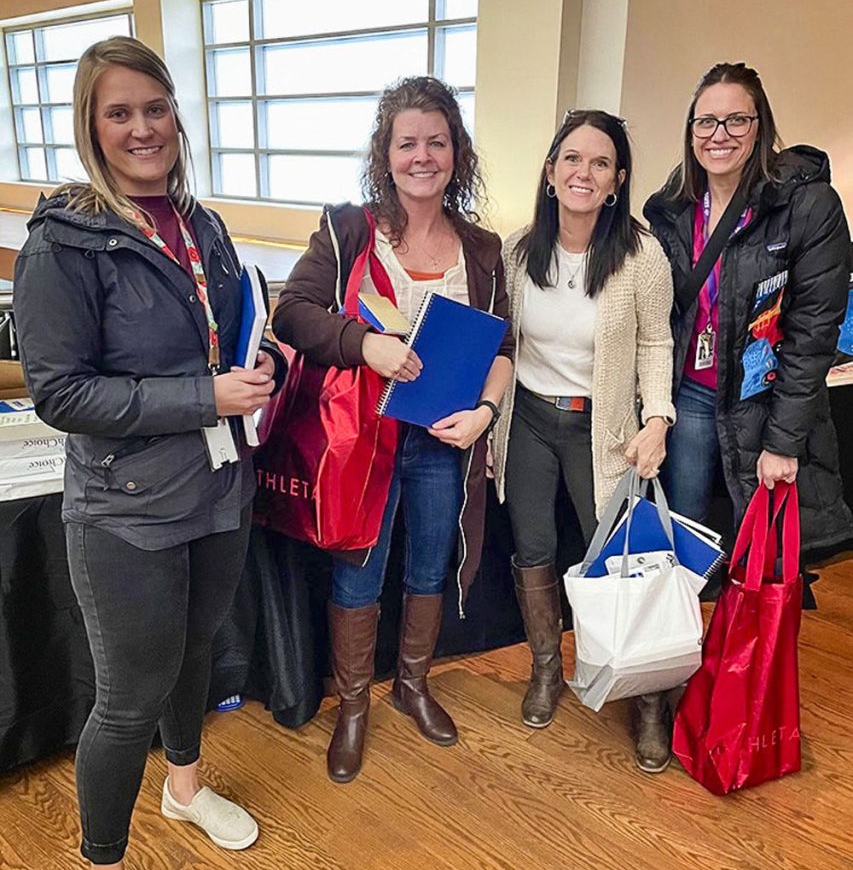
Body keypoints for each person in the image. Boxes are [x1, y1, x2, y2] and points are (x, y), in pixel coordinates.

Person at [13, 36, 286, 870]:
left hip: (216, 489)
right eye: (118, 112)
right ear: (91, 126)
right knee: (125, 700)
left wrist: (259, 365)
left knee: (196, 652)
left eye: (155, 109)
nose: (142, 128)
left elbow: (219, 338)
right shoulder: (63, 240)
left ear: (178, 115)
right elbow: (61, 394)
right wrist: (205, 397)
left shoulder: (196, 224)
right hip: (124, 509)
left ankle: (185, 787)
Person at [273, 75, 513, 785]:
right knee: (360, 573)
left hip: (443, 439)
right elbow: (293, 313)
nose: (422, 155)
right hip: (362, 442)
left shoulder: (482, 247)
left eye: (436, 142)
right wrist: (363, 344)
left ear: (455, 152)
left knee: (429, 564)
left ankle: (412, 684)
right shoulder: (348, 232)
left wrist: (485, 414)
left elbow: (501, 349)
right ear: (385, 154)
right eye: (407, 142)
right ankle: (352, 707)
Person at [492, 109, 676, 771]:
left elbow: (656, 342)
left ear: (617, 179)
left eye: (600, 163)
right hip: (530, 425)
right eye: (571, 159)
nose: (583, 172)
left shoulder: (639, 253)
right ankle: (547, 667)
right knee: (532, 547)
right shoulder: (517, 252)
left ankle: (647, 698)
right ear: (549, 172)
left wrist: (656, 418)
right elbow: (500, 343)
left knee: (620, 561)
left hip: (603, 433)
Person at [645, 67, 853, 580]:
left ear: (760, 126)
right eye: (706, 122)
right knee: (684, 544)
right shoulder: (673, 208)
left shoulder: (807, 207)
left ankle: (750, 660)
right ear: (690, 130)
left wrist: (783, 442)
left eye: (736, 120)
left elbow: (813, 336)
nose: (719, 135)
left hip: (765, 400)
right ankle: (682, 651)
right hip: (691, 394)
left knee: (765, 559)